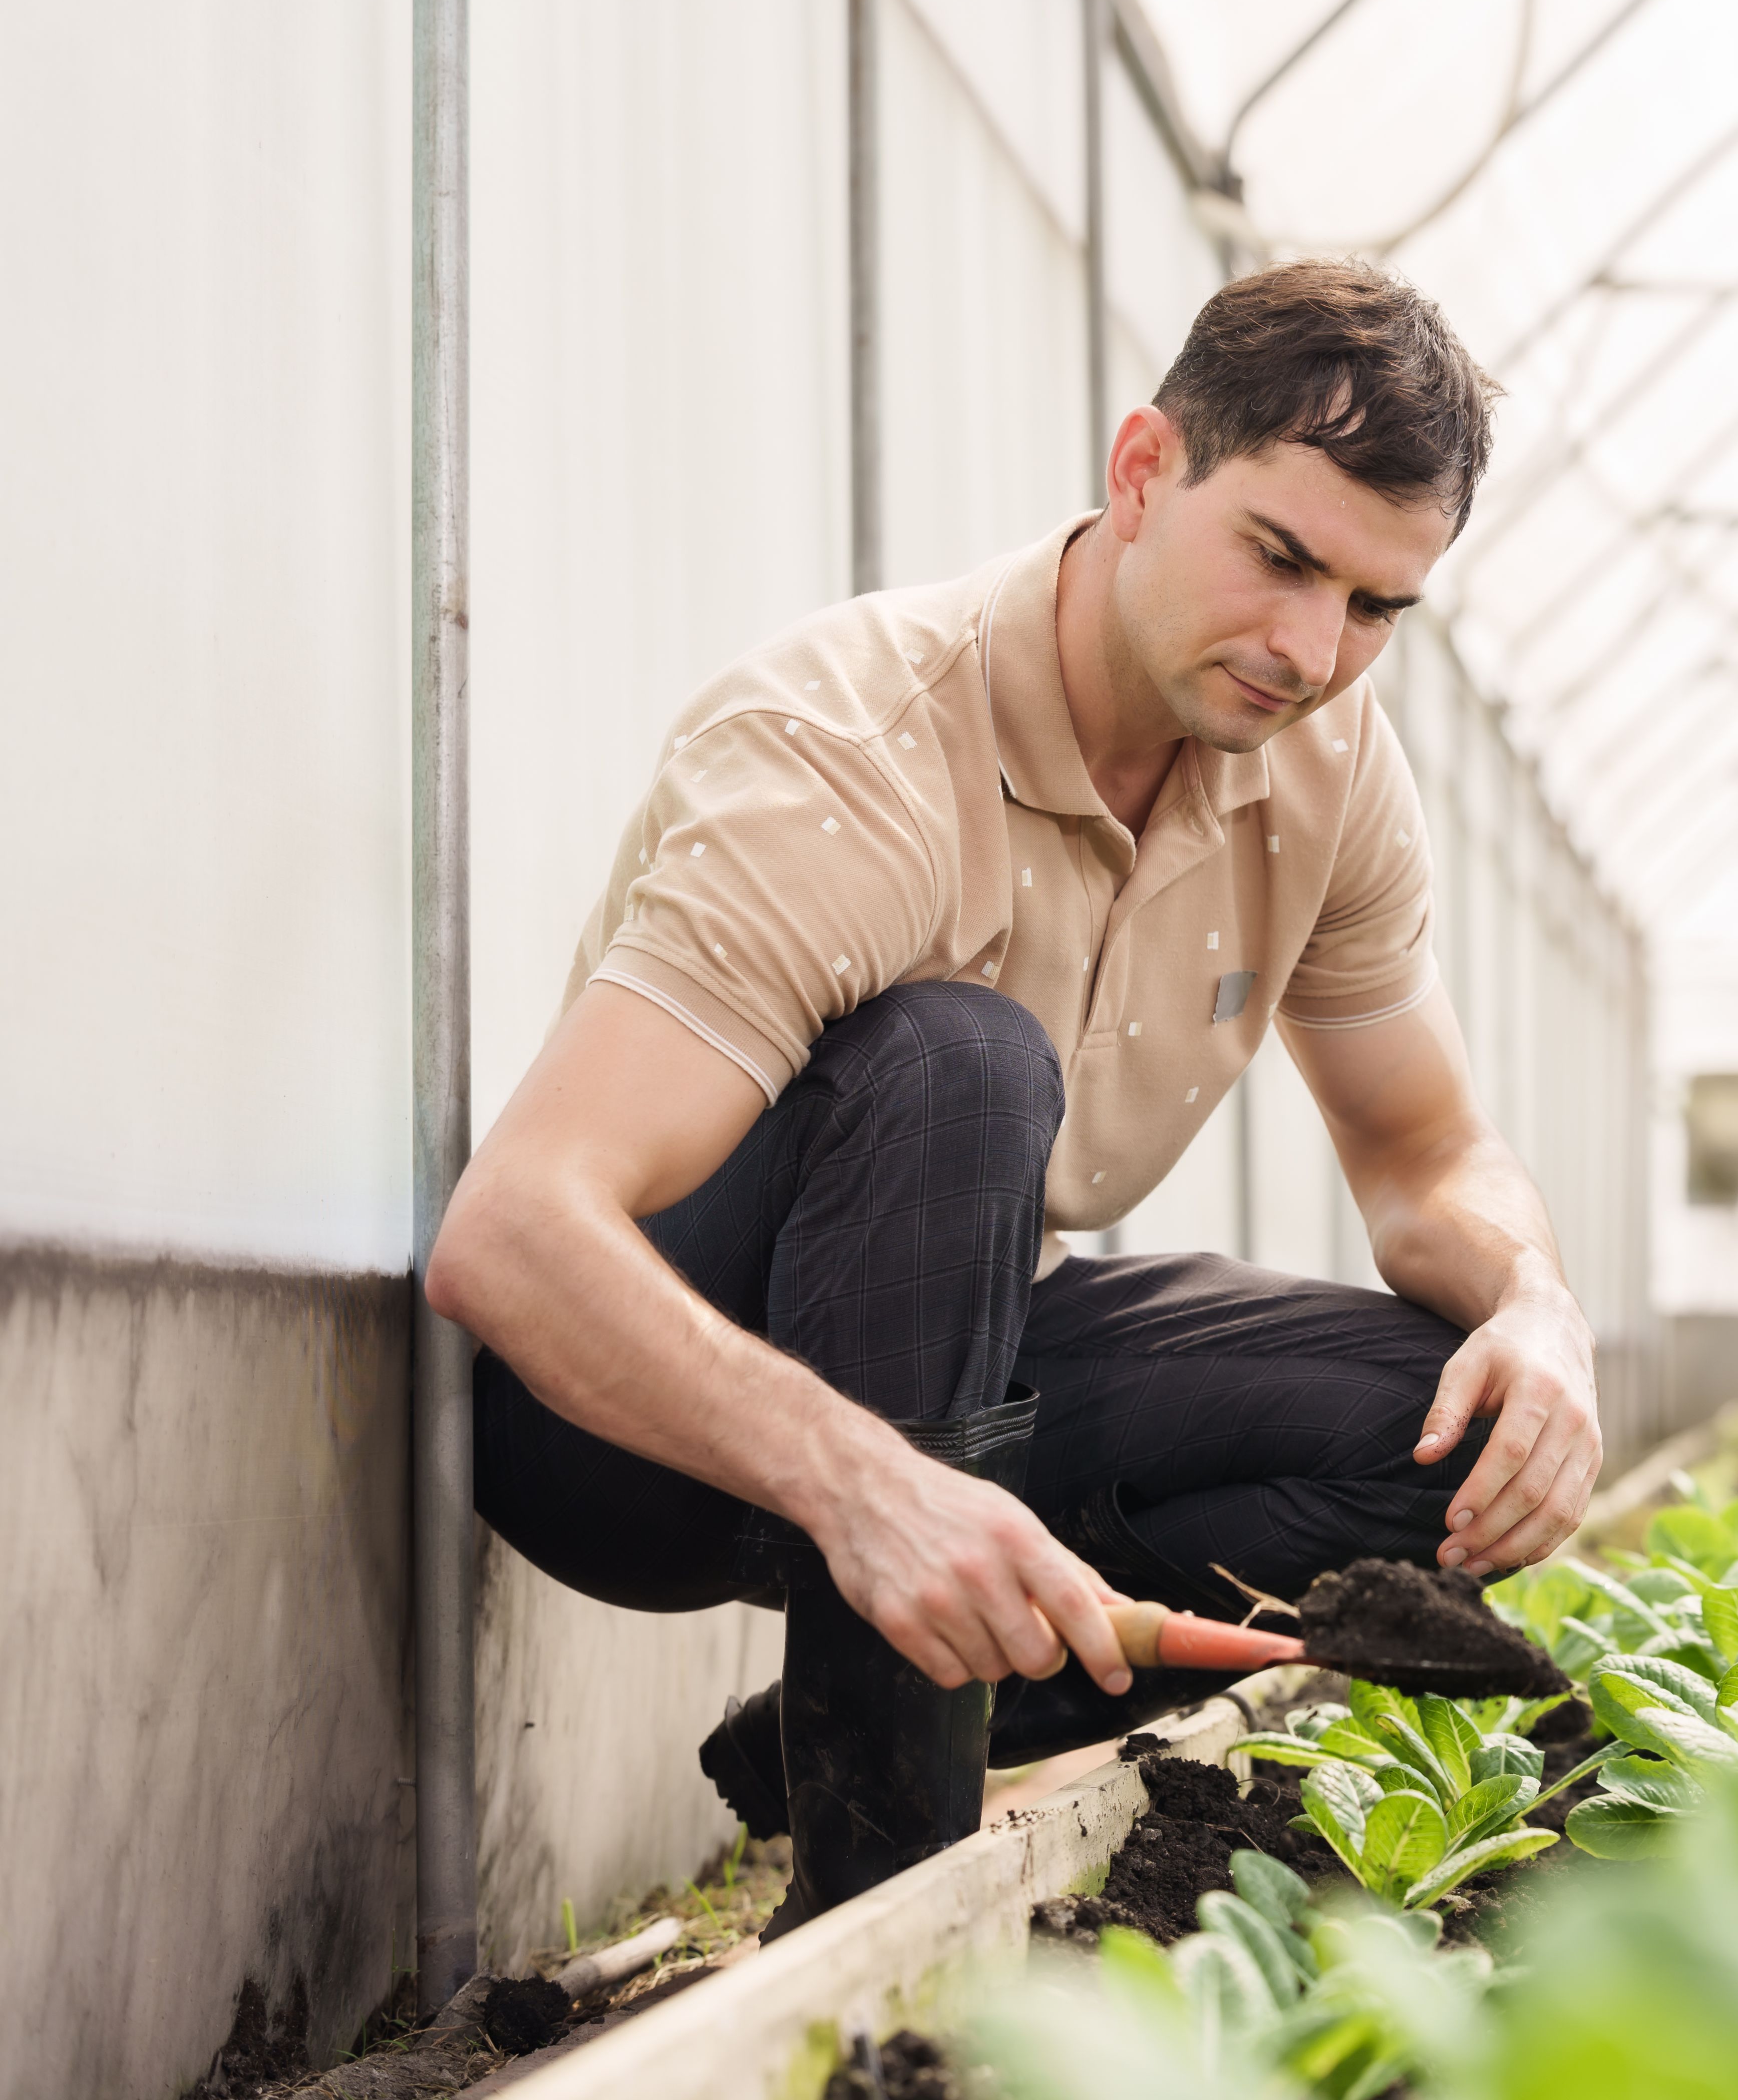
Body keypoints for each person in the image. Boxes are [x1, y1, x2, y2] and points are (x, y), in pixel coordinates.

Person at [428, 259, 1602, 1929]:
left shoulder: (1326, 766)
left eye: (1375, 609)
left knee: (1459, 1439)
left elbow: (1429, 1155)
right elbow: (515, 1240)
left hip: (956, 1378)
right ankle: (871, 1905)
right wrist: (870, 1486)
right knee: (963, 1063)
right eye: (1280, 557)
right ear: (1141, 472)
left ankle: (873, 1719)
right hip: (632, 1435)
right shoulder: (853, 754)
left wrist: (1540, 1308)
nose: (1311, 649)